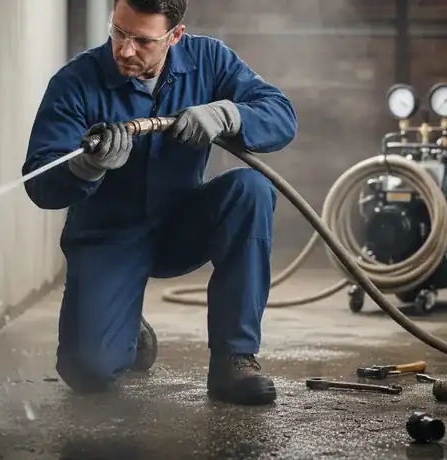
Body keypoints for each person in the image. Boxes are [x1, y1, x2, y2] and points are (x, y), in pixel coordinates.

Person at [22, 0, 297, 406]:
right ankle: (125, 320)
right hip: (108, 238)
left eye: (142, 40)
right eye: (118, 31)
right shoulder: (76, 81)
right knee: (89, 372)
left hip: (181, 226)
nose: (125, 49)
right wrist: (87, 167)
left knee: (251, 189)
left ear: (175, 36)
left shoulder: (209, 60)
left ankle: (234, 359)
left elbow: (281, 115)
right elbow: (40, 181)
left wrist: (228, 114)